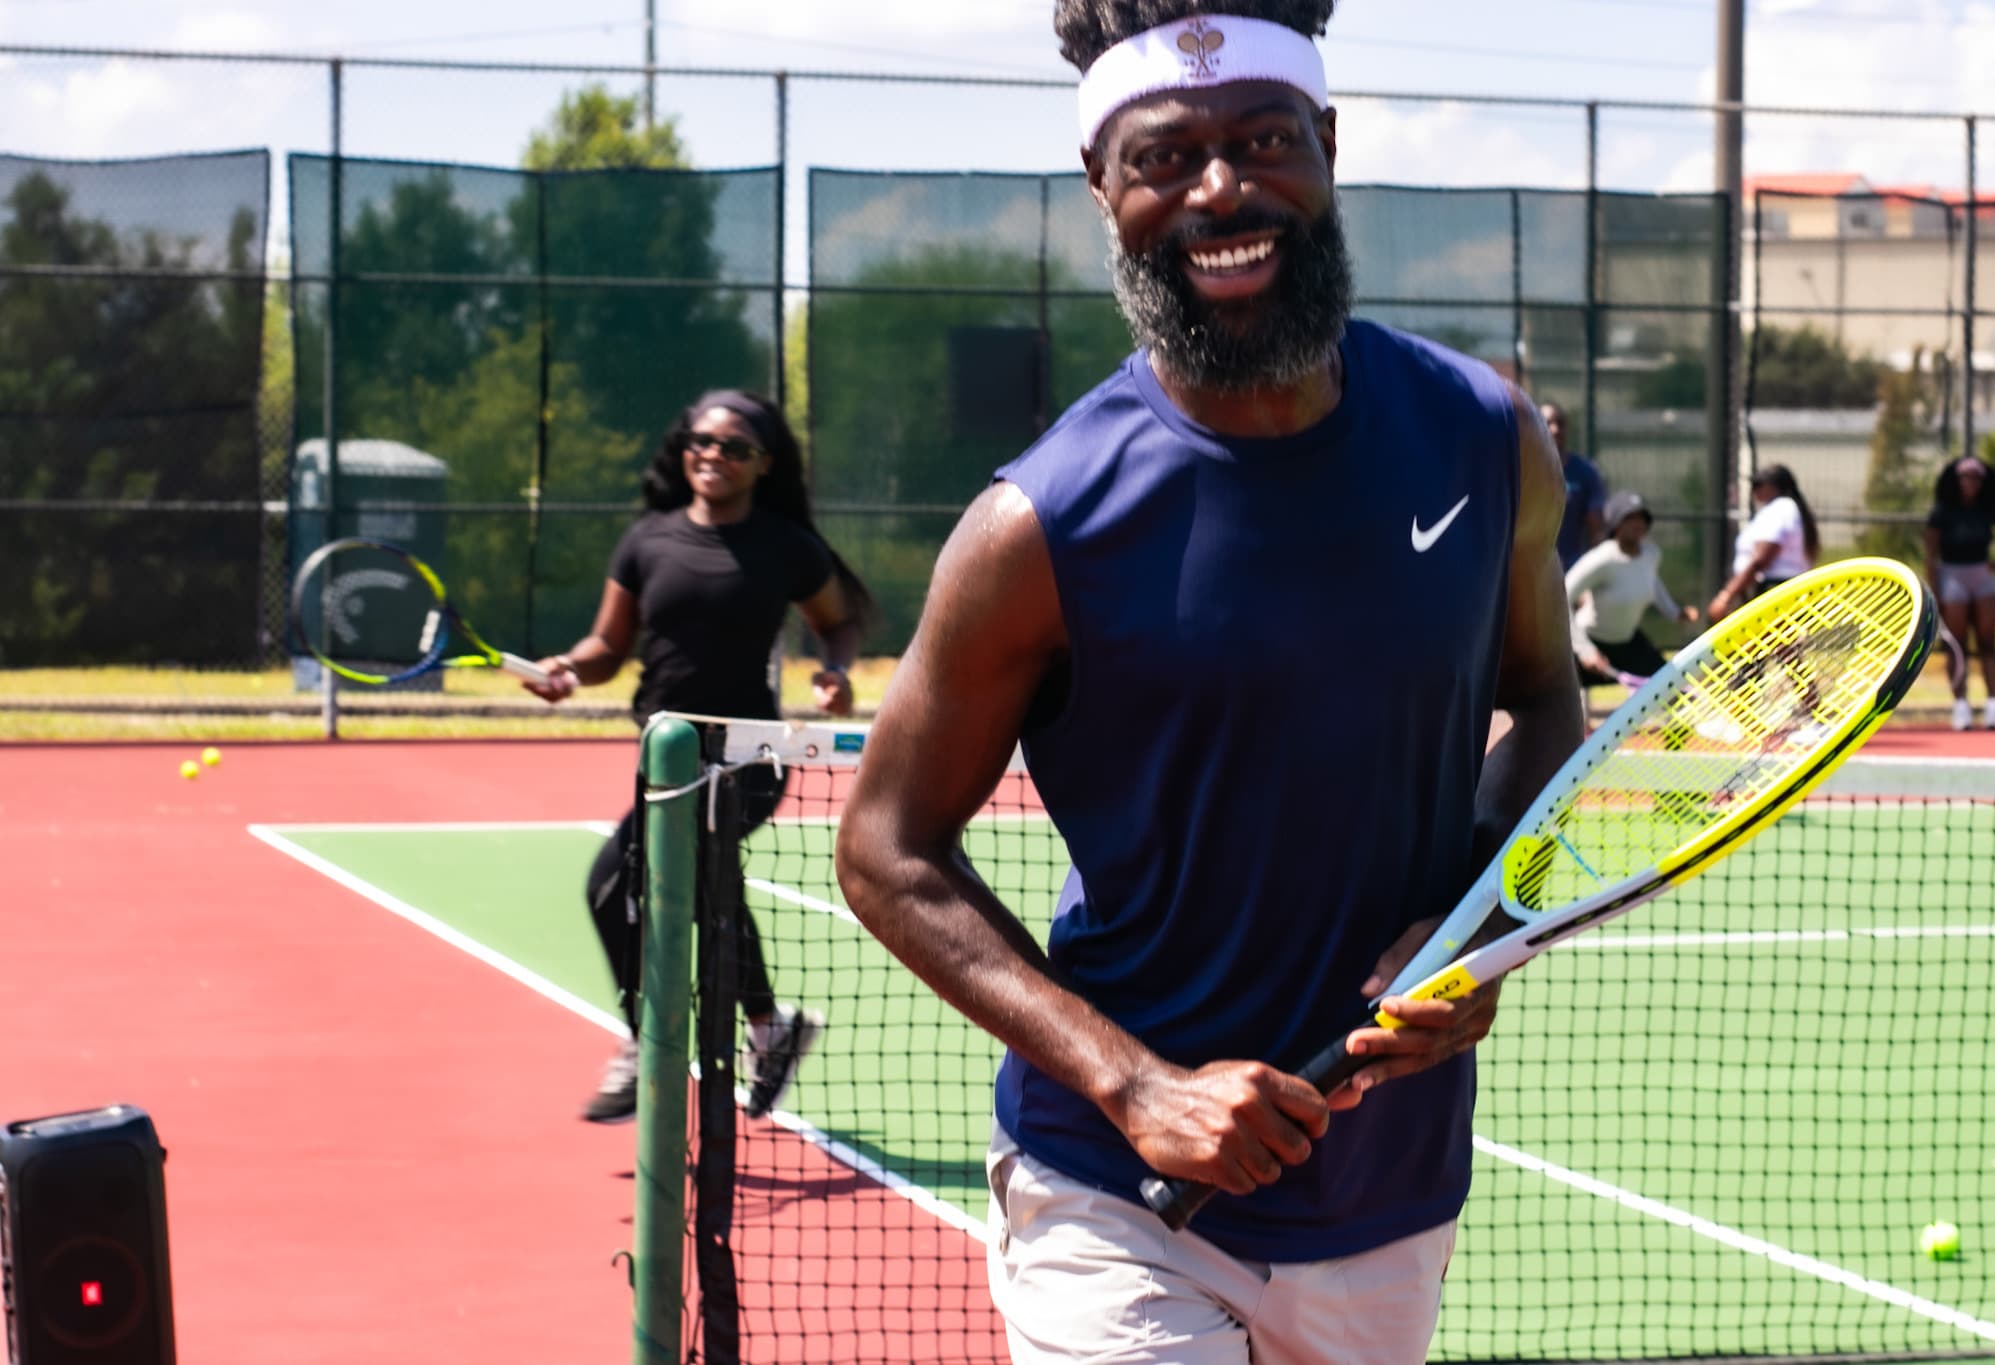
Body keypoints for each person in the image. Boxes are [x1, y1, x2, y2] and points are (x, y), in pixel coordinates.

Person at [834, 4, 1585, 1361]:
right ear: (1103, 192)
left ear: (1329, 148)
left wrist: (1479, 918)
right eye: (1165, 157)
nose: (1221, 190)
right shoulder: (1039, 526)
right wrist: (1137, 1085)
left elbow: (1542, 701)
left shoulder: (1485, 436)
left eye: (1261, 142)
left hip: (1390, 1196)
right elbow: (886, 847)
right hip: (1118, 1197)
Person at [527, 388, 873, 1123]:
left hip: (749, 757)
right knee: (699, 890)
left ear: (763, 464)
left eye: (734, 447)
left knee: (623, 880)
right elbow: (607, 647)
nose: (713, 455)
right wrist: (566, 668)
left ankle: (645, 1042)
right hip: (667, 754)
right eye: (701, 442)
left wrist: (835, 673)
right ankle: (770, 1027)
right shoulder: (647, 540)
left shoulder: (786, 548)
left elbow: (836, 624)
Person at [1925, 454, 1995, 731]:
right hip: (1952, 575)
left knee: (1988, 641)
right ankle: (1961, 706)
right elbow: (1931, 554)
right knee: (1957, 645)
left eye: (1976, 478)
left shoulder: (1987, 509)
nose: (1971, 483)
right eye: (1966, 478)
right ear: (1957, 481)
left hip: (1981, 575)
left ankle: (1993, 705)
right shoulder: (1943, 512)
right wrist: (1935, 590)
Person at [1566, 490, 1700, 688]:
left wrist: (1675, 613)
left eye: (1642, 517)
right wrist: (1585, 650)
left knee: (1671, 687)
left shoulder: (1651, 555)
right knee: (1565, 705)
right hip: (1592, 644)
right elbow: (1562, 597)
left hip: (1629, 643)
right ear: (1616, 523)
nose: (1638, 523)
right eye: (1629, 517)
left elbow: (1652, 583)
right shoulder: (1601, 559)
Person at [1709, 463, 1817, 621]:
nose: (1754, 490)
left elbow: (1762, 558)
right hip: (1783, 590)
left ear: (1775, 487)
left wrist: (1726, 596)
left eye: (1758, 485)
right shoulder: (1787, 509)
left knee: (1773, 645)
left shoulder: (1780, 509)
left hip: (1776, 590)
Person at [1544, 402, 1606, 568]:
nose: (1555, 429)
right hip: (1530, 570)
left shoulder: (1586, 472)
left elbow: (1596, 531)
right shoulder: (1522, 470)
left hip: (1573, 569)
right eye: (1548, 423)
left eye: (1560, 423)